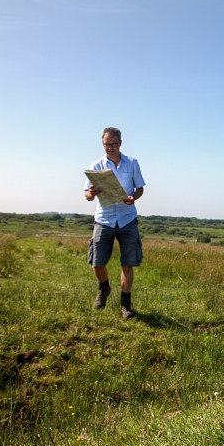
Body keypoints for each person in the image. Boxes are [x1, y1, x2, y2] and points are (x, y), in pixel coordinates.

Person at [84, 127, 145, 317]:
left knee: (128, 263)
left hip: (127, 218)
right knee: (97, 262)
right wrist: (91, 193)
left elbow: (140, 189)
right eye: (106, 144)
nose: (110, 148)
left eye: (113, 144)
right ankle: (104, 289)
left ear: (120, 143)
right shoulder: (96, 165)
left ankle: (125, 304)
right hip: (104, 219)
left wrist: (133, 197)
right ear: (102, 144)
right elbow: (87, 195)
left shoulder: (132, 163)